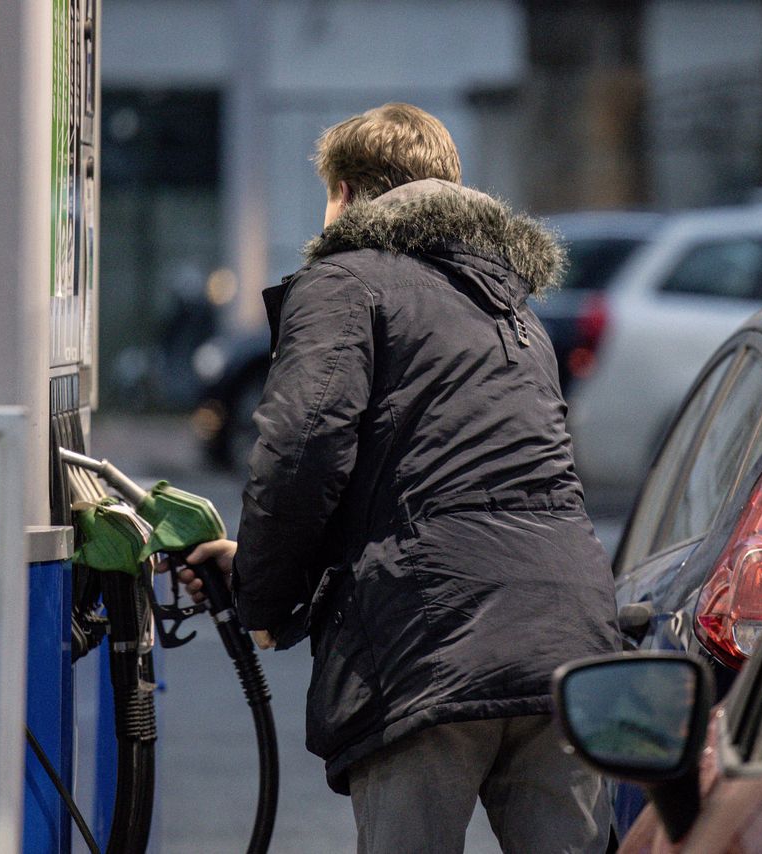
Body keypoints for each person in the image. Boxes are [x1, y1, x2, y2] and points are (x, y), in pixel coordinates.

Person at [179, 103, 620, 854]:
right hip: (567, 639)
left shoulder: (345, 282)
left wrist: (260, 599)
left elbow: (303, 449)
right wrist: (249, 564)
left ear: (347, 193)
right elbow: (457, 479)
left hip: (427, 640)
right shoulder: (512, 307)